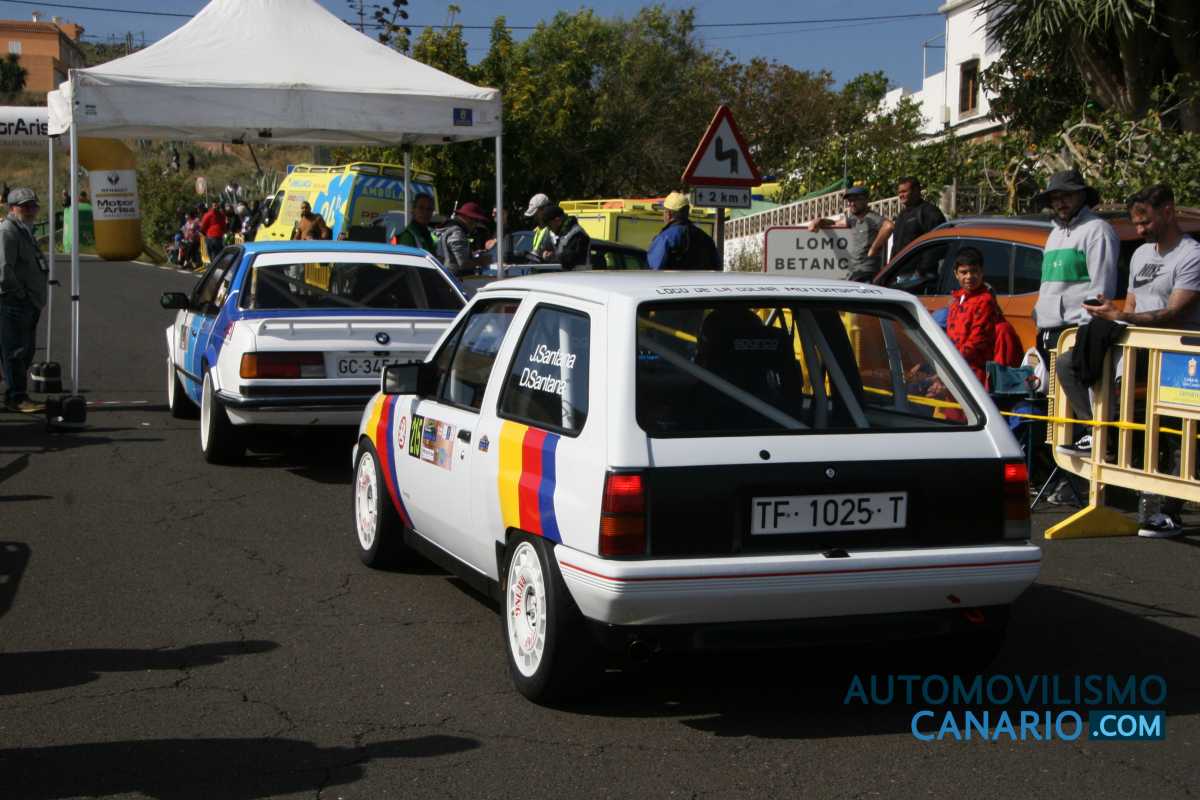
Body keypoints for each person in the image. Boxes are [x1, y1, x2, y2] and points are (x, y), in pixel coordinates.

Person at [1067, 184, 1200, 536]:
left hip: (1177, 359)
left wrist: (1120, 317)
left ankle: (1168, 511)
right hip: (1136, 353)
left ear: (1168, 211)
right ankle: (1100, 436)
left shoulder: (1191, 255)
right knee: (1067, 364)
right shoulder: (1140, 255)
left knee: (1177, 433)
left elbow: (1173, 313)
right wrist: (1111, 314)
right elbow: (1131, 306)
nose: (1140, 229)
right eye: (1136, 223)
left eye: (1145, 221)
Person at [0, 188, 49, 413]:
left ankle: (15, 395)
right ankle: (17, 397)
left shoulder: (24, 229)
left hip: (29, 302)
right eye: (24, 206)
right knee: (16, 352)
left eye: (33, 206)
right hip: (14, 302)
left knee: (24, 351)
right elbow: (3, 269)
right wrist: (21, 295)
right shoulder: (8, 231)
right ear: (12, 208)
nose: (30, 210)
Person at [944, 247, 1001, 384]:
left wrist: (953, 360)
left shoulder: (985, 301)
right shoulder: (957, 299)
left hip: (973, 372)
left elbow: (977, 339)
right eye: (964, 272)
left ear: (981, 272)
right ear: (956, 274)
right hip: (955, 366)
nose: (969, 277)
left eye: (974, 271)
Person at [808, 185, 886, 282]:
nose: (852, 204)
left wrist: (873, 248)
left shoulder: (871, 217)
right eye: (849, 201)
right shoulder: (854, 219)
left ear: (866, 200)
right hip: (856, 270)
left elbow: (889, 226)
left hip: (867, 271)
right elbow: (836, 223)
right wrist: (819, 221)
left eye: (856, 200)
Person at [873, 176, 946, 260]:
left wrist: (924, 265)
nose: (901, 195)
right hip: (900, 266)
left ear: (916, 191)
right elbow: (896, 246)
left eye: (904, 191)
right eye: (899, 192)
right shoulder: (901, 215)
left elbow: (937, 244)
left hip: (920, 267)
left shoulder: (929, 212)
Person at [647, 192, 721, 270]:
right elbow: (717, 267)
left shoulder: (666, 237)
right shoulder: (706, 238)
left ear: (668, 214)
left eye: (664, 211)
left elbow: (654, 269)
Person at [436, 201, 492, 276]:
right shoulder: (457, 233)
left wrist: (471, 254)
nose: (476, 224)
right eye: (475, 220)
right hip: (454, 278)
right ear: (466, 217)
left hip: (446, 276)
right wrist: (481, 261)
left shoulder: (449, 228)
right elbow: (463, 264)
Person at [542, 205, 590, 270]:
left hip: (580, 274)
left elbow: (571, 258)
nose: (549, 229)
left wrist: (553, 256)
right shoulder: (559, 233)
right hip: (565, 275)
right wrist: (544, 253)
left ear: (557, 220)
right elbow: (548, 248)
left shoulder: (577, 233)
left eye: (549, 225)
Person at [525, 193, 556, 258]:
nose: (534, 216)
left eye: (536, 212)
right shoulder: (536, 230)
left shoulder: (554, 230)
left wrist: (552, 255)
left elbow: (563, 253)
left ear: (544, 209)